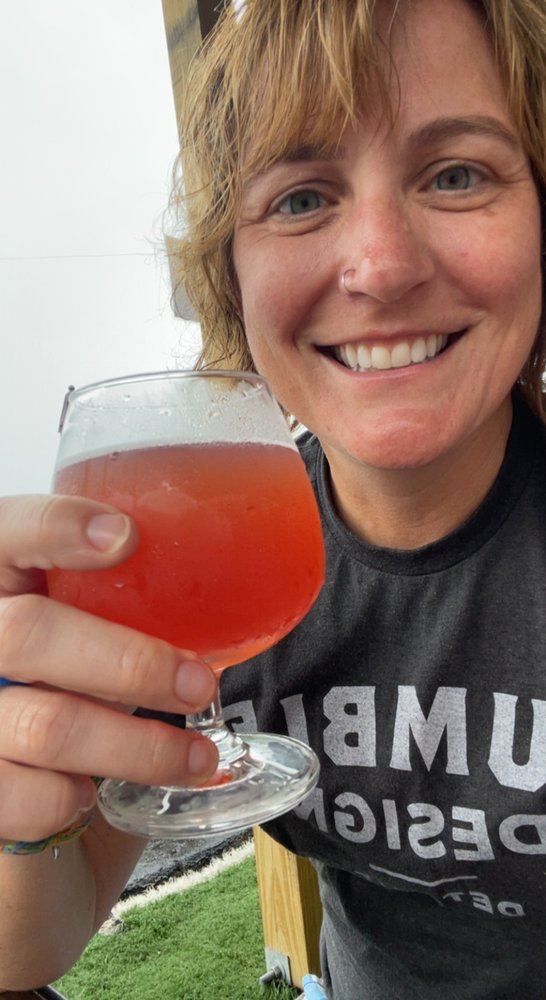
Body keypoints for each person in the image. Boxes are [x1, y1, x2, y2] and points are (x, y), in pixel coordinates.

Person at [1, 0, 546, 996]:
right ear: (232, 278)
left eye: (457, 175)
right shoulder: (204, 576)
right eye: (299, 198)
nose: (381, 267)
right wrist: (20, 807)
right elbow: (33, 946)